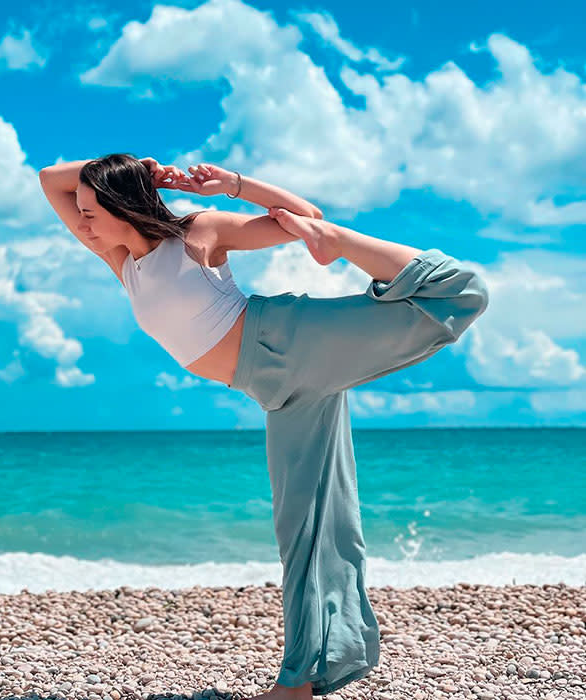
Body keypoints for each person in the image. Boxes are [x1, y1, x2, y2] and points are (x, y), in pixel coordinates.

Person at [39, 153, 490, 700]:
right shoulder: (118, 258)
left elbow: (303, 214)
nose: (81, 222)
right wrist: (130, 164)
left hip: (286, 338)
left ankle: (344, 246)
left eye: (90, 210)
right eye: (81, 211)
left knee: (460, 292)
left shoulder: (195, 234)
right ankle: (299, 681)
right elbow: (49, 180)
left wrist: (233, 185)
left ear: (122, 206)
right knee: (306, 529)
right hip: (278, 390)